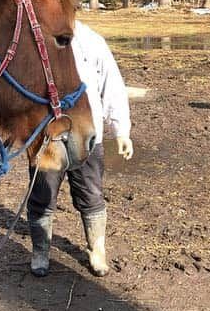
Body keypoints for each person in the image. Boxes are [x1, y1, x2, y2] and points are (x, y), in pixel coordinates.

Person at [27, 17, 133, 278]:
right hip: (48, 136)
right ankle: (40, 251)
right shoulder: (35, 43)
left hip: (87, 133)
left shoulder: (92, 42)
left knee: (91, 193)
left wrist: (121, 131)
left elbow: (112, 86)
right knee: (42, 195)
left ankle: (97, 250)